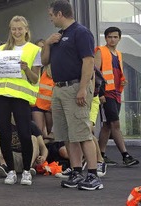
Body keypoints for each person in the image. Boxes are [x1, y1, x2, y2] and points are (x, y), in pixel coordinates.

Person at [41, 0, 102, 190]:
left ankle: (93, 174)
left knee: (82, 133)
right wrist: (47, 44)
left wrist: (83, 88)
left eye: (51, 15)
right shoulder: (58, 36)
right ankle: (76, 171)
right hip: (59, 89)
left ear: (60, 14)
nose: (50, 19)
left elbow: (88, 62)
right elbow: (44, 61)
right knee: (67, 134)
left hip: (76, 87)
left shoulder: (81, 32)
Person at [0, 16, 41, 186]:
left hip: (21, 97)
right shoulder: (2, 49)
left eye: (20, 28)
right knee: (4, 134)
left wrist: (26, 68)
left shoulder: (34, 50)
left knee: (25, 133)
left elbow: (35, 79)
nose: (17, 32)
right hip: (0, 95)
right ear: (10, 30)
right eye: (14, 29)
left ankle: (26, 170)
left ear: (26, 29)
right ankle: (11, 171)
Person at [96, 27, 139, 167]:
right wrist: (99, 93)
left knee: (107, 125)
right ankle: (125, 155)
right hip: (106, 93)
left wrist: (122, 81)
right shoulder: (100, 51)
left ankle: (100, 155)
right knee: (115, 124)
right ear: (106, 38)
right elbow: (95, 72)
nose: (112, 39)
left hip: (116, 92)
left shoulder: (119, 54)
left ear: (119, 38)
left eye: (115, 37)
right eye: (109, 37)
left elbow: (116, 72)